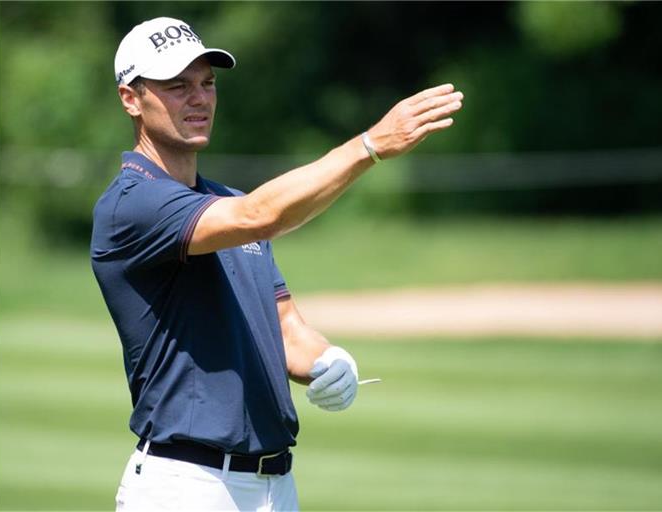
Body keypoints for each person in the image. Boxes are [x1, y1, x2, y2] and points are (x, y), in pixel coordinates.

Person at [91, 16, 462, 512]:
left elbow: (285, 328)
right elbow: (261, 215)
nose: (199, 98)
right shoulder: (132, 203)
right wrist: (368, 146)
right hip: (186, 486)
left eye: (207, 83)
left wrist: (329, 362)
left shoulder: (227, 203)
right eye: (177, 86)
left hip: (274, 486)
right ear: (130, 99)